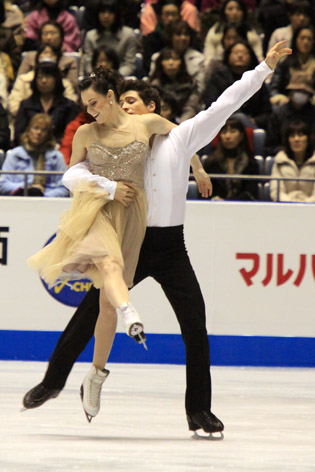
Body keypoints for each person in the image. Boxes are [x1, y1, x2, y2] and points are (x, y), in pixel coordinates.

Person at [22, 41, 291, 434]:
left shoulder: (180, 140)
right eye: (122, 101)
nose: (124, 108)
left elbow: (224, 105)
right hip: (128, 238)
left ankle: (199, 410)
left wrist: (264, 69)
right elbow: (77, 171)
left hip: (170, 247)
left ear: (151, 108)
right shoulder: (113, 139)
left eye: (131, 101)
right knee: (92, 312)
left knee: (195, 323)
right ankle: (53, 381)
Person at [27, 66, 177, 420]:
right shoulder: (85, 131)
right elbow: (71, 174)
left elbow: (184, 138)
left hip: (131, 215)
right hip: (95, 208)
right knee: (109, 267)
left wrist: (199, 171)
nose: (90, 109)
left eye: (94, 102)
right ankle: (132, 315)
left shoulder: (145, 125)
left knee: (105, 303)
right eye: (86, 104)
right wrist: (108, 187)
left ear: (111, 96)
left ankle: (95, 375)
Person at [201, 40, 271, 129]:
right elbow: (210, 103)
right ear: (228, 55)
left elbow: (267, 111)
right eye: (236, 53)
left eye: (244, 53)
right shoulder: (218, 77)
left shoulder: (257, 78)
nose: (240, 56)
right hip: (221, 123)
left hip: (250, 125)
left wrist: (254, 121)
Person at [0, 113, 68, 196]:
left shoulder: (56, 157)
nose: (39, 132)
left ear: (48, 135)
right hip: (19, 199)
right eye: (36, 128)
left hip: (48, 201)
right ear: (29, 130)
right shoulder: (15, 154)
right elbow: (3, 184)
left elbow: (64, 188)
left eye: (44, 130)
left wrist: (43, 196)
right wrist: (28, 188)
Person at [13, 61, 80, 145]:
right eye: (40, 77)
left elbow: (72, 135)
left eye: (48, 76)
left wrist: (52, 146)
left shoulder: (69, 106)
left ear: (56, 79)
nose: (43, 80)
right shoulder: (25, 105)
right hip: (29, 150)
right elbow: (19, 133)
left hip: (60, 150)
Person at [9, 43, 77, 120]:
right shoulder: (23, 80)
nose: (44, 81)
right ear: (37, 57)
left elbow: (71, 110)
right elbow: (14, 108)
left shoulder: (65, 84)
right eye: (44, 53)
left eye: (52, 54)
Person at [203, 116, 259, 200]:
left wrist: (227, 202)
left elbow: (251, 193)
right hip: (214, 208)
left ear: (241, 136)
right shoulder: (211, 163)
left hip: (243, 209)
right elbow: (204, 191)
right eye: (224, 132)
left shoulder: (251, 163)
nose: (228, 136)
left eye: (233, 132)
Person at [80, 0, 137, 77]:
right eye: (102, 12)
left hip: (120, 78)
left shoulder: (129, 35)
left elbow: (129, 64)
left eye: (110, 12)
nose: (106, 16)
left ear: (116, 15)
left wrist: (113, 76)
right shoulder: (90, 36)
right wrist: (95, 77)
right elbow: (88, 64)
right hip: (96, 78)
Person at [149, 20, 205, 93]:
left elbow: (200, 88)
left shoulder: (199, 58)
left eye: (186, 34)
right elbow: (152, 84)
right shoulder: (157, 57)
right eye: (178, 34)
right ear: (171, 37)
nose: (183, 38)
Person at [17, 20, 79, 87]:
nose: (49, 37)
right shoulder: (29, 57)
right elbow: (19, 81)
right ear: (40, 38)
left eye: (53, 33)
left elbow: (73, 85)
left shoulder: (70, 61)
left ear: (61, 37)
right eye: (45, 34)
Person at [203, 0, 263, 65]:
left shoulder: (252, 33)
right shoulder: (214, 32)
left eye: (238, 9)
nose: (234, 12)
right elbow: (208, 60)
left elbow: (259, 59)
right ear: (224, 12)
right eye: (230, 9)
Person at [149, 47, 200, 123]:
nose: (171, 62)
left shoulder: (191, 84)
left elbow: (190, 108)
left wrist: (179, 127)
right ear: (160, 63)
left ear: (181, 62)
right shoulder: (153, 86)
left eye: (175, 59)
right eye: (166, 59)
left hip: (184, 123)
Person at [269, 25, 315, 107]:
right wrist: (279, 98)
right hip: (286, 104)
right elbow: (274, 88)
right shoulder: (284, 62)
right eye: (302, 38)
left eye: (309, 39)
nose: (305, 42)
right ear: (295, 39)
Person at [270, 120, 315, 202]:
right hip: (285, 209)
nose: (296, 139)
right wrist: (291, 205)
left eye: (301, 135)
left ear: (308, 139)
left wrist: (304, 205)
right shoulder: (280, 161)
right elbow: (276, 192)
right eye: (292, 136)